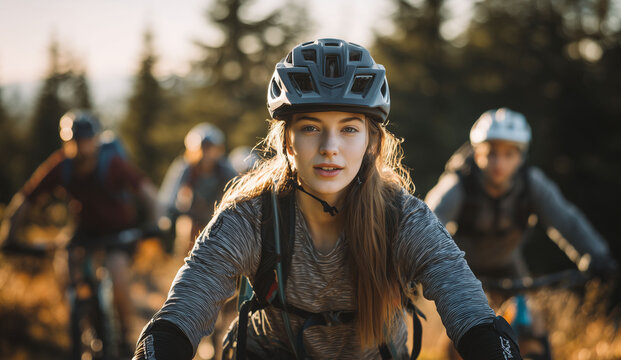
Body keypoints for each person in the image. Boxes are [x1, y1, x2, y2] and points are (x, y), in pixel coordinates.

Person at [134, 39, 522, 360]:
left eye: (349, 129)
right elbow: (182, 312)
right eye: (310, 127)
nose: (329, 148)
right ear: (287, 141)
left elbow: (468, 307)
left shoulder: (402, 218)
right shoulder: (251, 217)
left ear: (372, 141)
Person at [424, 108, 617, 358]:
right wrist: (412, 265)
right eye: (491, 153)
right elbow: (427, 222)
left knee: (534, 332)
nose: (499, 163)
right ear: (477, 152)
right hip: (464, 273)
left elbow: (566, 221)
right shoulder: (459, 185)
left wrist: (596, 254)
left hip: (511, 269)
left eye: (509, 154)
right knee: (462, 341)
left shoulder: (532, 184)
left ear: (521, 156)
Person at [0, 109, 160, 353]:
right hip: (85, 230)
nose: (80, 148)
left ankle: (128, 334)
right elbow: (27, 198)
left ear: (95, 141)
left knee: (117, 272)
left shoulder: (112, 163)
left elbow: (146, 191)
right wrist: (8, 235)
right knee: (66, 269)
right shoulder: (61, 166)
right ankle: (83, 320)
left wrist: (156, 223)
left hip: (120, 231)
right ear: (66, 143)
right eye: (74, 142)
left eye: (85, 141)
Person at [158, 122, 237, 253]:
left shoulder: (225, 170)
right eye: (202, 148)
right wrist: (166, 218)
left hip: (219, 219)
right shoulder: (185, 169)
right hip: (190, 218)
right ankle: (184, 264)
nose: (205, 153)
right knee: (186, 229)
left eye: (209, 148)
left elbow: (239, 191)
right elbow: (169, 196)